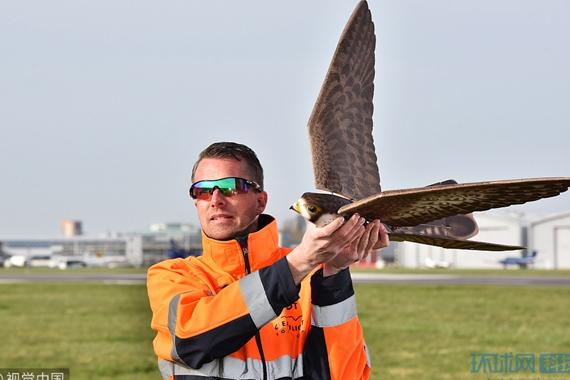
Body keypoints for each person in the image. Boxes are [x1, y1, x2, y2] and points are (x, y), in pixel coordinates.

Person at [147, 142, 390, 380]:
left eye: (231, 187)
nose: (216, 199)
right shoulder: (172, 276)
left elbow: (345, 374)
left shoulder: (312, 275)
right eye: (203, 190)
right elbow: (189, 339)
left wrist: (335, 272)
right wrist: (299, 263)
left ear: (261, 202)